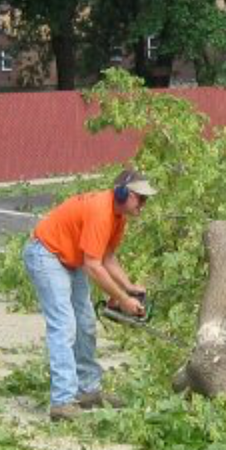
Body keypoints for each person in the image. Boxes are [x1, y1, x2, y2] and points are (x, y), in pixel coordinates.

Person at [24, 168, 155, 420]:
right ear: (121, 193)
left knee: (85, 324)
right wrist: (124, 300)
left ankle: (88, 390)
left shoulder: (118, 217)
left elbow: (107, 257)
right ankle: (62, 401)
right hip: (46, 254)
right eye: (140, 198)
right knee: (64, 325)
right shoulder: (100, 212)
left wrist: (128, 288)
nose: (144, 204)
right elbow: (94, 266)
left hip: (73, 260)